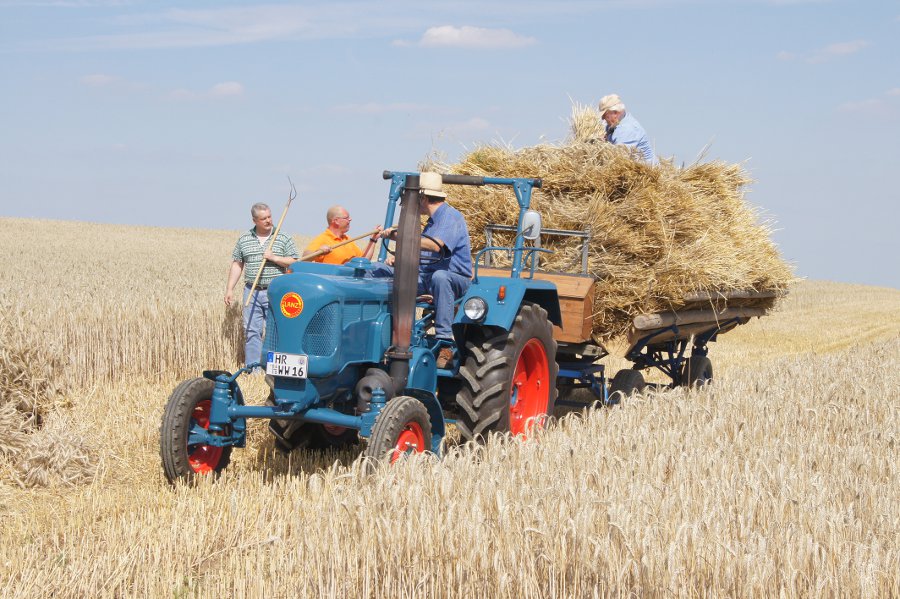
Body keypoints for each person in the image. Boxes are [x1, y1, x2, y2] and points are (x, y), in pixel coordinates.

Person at [371, 172, 472, 368]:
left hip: (455, 280)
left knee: (440, 277)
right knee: (378, 270)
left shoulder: (451, 217)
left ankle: (445, 343)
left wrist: (398, 236)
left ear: (423, 198)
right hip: (426, 277)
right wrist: (398, 259)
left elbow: (435, 246)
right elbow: (421, 254)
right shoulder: (430, 223)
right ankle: (381, 329)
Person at [224, 202, 299, 371]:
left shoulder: (282, 236)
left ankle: (274, 370)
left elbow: (294, 260)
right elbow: (237, 264)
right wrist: (229, 289)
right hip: (252, 290)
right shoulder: (245, 239)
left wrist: (274, 258)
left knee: (276, 331)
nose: (268, 220)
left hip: (277, 292)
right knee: (251, 331)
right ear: (254, 220)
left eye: (269, 216)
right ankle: (253, 369)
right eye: (263, 218)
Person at [303, 205, 381, 264]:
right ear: (336, 221)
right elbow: (305, 258)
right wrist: (318, 251)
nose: (350, 219)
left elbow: (363, 260)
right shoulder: (323, 238)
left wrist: (373, 239)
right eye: (346, 218)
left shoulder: (347, 240)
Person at [598, 94, 658, 164]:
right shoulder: (617, 121)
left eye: (605, 115)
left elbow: (618, 159)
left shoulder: (627, 129)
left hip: (644, 172)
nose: (603, 118)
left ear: (615, 112)